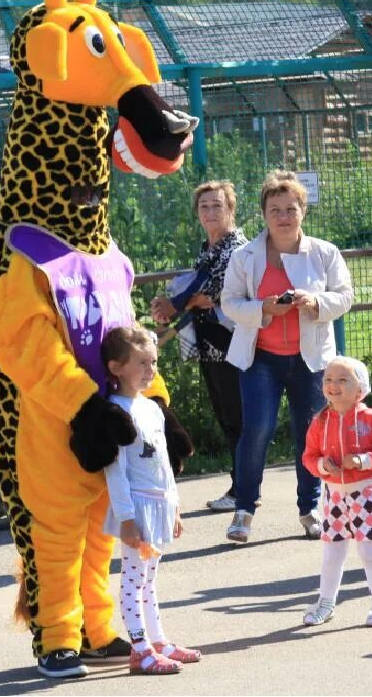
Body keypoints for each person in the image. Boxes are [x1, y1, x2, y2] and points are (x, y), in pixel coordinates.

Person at [220, 170, 354, 543]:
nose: (283, 216)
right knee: (257, 430)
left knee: (309, 434)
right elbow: (229, 303)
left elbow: (344, 296)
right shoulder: (244, 256)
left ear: (302, 211)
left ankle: (310, 509)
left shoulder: (325, 253)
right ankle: (244, 510)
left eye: (290, 208)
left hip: (310, 361)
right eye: (275, 209)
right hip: (260, 357)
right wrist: (263, 309)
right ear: (264, 214)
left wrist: (316, 302)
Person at [100, 326, 201, 676]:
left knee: (150, 579)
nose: (150, 369)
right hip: (137, 509)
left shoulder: (153, 409)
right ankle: (139, 648)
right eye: (142, 363)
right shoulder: (116, 411)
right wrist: (126, 517)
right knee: (133, 578)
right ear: (116, 367)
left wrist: (174, 504)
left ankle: (158, 640)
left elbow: (165, 465)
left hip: (159, 506)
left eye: (154, 362)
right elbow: (117, 471)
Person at [150, 181, 247, 512]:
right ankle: (243, 485)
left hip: (231, 343)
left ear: (230, 209)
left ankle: (243, 489)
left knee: (237, 418)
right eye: (204, 206)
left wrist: (177, 303)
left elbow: (211, 292)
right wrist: (175, 303)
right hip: (210, 345)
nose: (210, 212)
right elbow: (198, 293)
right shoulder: (207, 248)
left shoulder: (236, 248)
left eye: (217, 205)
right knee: (227, 417)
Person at [301, 356, 372, 628]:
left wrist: (362, 461)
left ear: (360, 389)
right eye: (329, 379)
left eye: (343, 380)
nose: (333, 385)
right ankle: (326, 603)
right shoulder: (319, 420)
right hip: (334, 496)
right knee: (332, 554)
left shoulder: (371, 418)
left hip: (366, 494)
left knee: (369, 553)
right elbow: (309, 457)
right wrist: (322, 465)